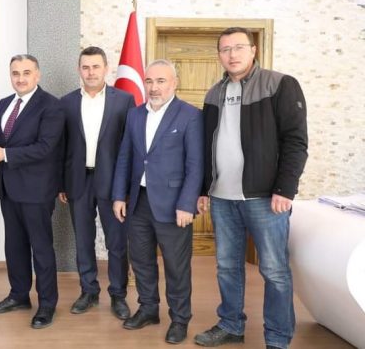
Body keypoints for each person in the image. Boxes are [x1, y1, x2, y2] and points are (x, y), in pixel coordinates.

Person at [193, 27, 308, 349]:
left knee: (274, 270)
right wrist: (203, 188)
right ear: (219, 55)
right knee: (227, 267)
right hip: (222, 197)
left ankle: (278, 338)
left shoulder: (279, 84)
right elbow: (206, 145)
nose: (232, 54)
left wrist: (285, 189)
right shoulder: (213, 94)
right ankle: (231, 325)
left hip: (265, 198)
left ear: (253, 50)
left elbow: (296, 141)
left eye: (238, 47)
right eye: (225, 49)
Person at [111, 59, 204, 344]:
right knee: (141, 261)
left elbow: (195, 165)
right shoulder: (135, 114)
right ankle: (148, 309)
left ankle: (180, 319)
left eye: (161, 81)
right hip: (138, 202)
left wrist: (187, 203)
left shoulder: (190, 115)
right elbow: (125, 156)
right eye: (149, 81)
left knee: (176, 267)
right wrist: (119, 195)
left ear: (174, 83)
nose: (154, 87)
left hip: (174, 205)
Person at [0, 54, 64, 329]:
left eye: (27, 72)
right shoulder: (5, 104)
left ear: (37, 75)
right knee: (14, 246)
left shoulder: (51, 106)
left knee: (41, 248)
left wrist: (4, 154)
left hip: (37, 190)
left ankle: (47, 304)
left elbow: (45, 148)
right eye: (15, 73)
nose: (21, 78)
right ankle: (18, 295)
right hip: (8, 188)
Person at [59, 46, 135, 319]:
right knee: (83, 241)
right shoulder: (66, 103)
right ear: (79, 70)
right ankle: (88, 291)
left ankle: (118, 295)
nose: (90, 72)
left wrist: (126, 188)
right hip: (78, 182)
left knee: (117, 242)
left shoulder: (124, 101)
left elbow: (130, 146)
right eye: (85, 67)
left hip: (113, 183)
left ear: (106, 69)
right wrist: (61, 184)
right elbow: (61, 146)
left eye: (95, 67)